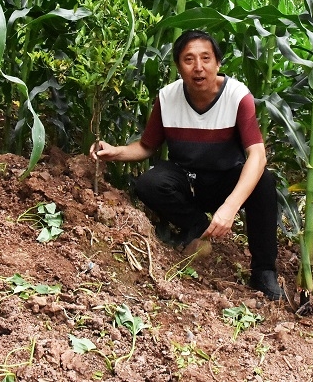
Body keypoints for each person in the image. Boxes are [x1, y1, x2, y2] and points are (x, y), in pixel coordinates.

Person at [90, 30, 284, 300]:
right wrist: (116, 151)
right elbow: (147, 146)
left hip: (227, 180)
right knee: (149, 183)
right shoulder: (168, 98)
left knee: (263, 182)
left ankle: (264, 271)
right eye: (188, 59)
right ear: (178, 66)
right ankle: (196, 225)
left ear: (218, 63)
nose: (198, 67)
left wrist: (230, 207)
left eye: (206, 58)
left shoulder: (238, 96)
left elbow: (258, 155)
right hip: (188, 181)